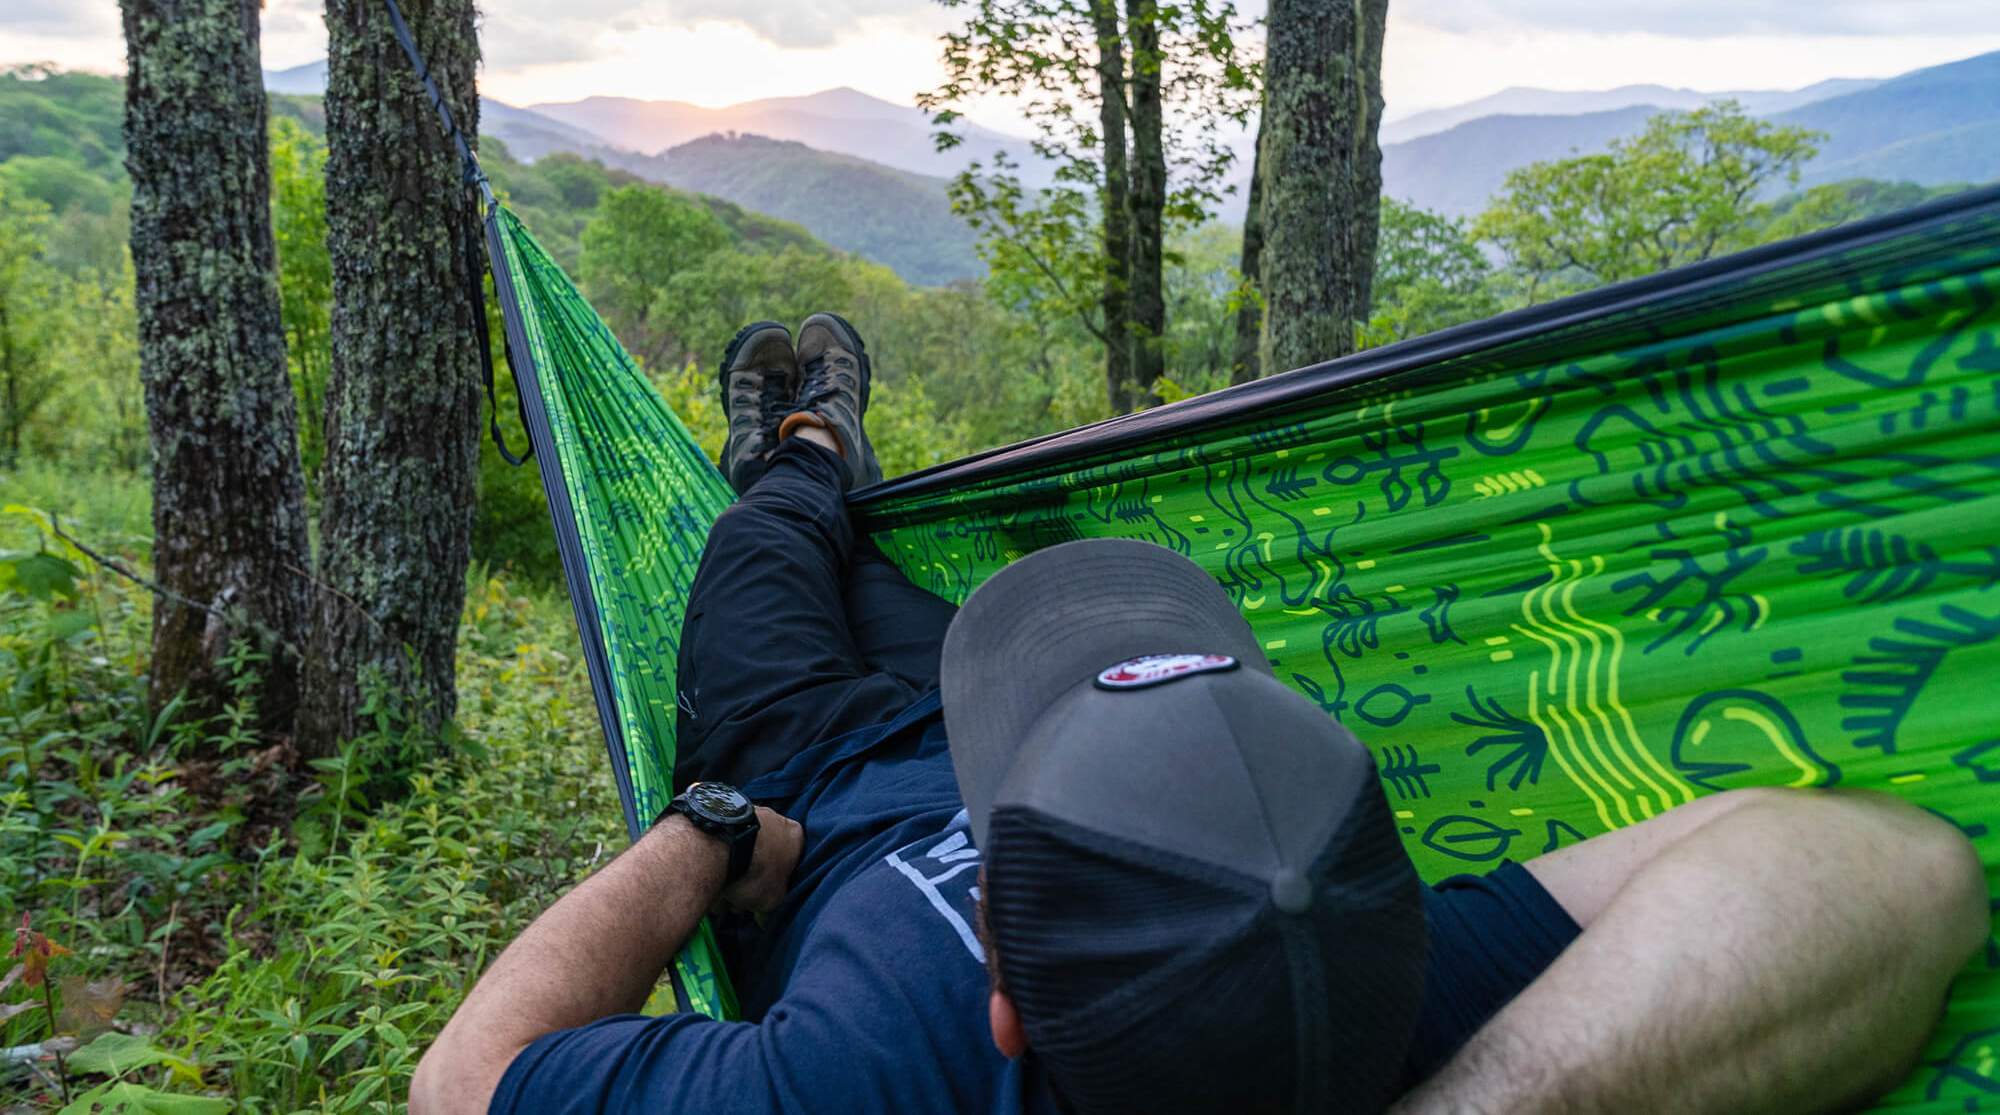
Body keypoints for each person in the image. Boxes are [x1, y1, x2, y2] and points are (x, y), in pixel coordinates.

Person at [411, 315, 1990, 1115]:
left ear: (1006, 1005)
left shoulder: (881, 1072)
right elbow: (1906, 871)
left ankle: (806, 450)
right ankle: (847, 492)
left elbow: (461, 1081)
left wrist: (706, 835)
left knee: (758, 551)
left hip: (805, 778)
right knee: (884, 570)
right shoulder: (1374, 995)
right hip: (976, 701)